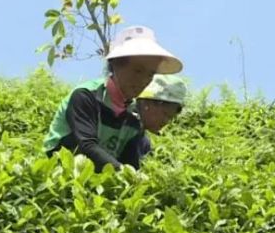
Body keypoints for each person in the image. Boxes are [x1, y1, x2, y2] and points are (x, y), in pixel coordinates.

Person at [43, 25, 183, 171]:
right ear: (116, 64)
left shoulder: (134, 119)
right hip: (59, 172)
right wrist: (124, 173)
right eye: (138, 71)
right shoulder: (86, 96)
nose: (143, 81)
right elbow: (86, 146)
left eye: (150, 74)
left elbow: (130, 164)